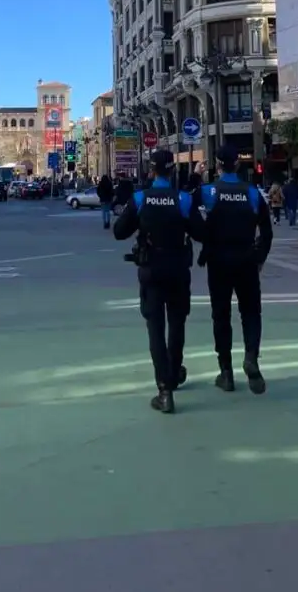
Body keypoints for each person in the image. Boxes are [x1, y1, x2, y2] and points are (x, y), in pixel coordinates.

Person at [114, 150, 197, 415]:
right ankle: (174, 373)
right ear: (172, 171)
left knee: (155, 329)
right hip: (178, 269)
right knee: (177, 324)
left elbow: (119, 232)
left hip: (151, 270)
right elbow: (201, 231)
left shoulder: (139, 199)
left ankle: (164, 390)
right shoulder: (183, 199)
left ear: (151, 171)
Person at [201, 145, 273, 395]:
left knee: (221, 316)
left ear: (218, 165)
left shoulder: (208, 191)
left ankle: (226, 373)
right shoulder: (252, 192)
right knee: (251, 313)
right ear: (238, 165)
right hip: (246, 259)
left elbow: (185, 208)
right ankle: (251, 358)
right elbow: (267, 231)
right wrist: (260, 257)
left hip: (218, 261)